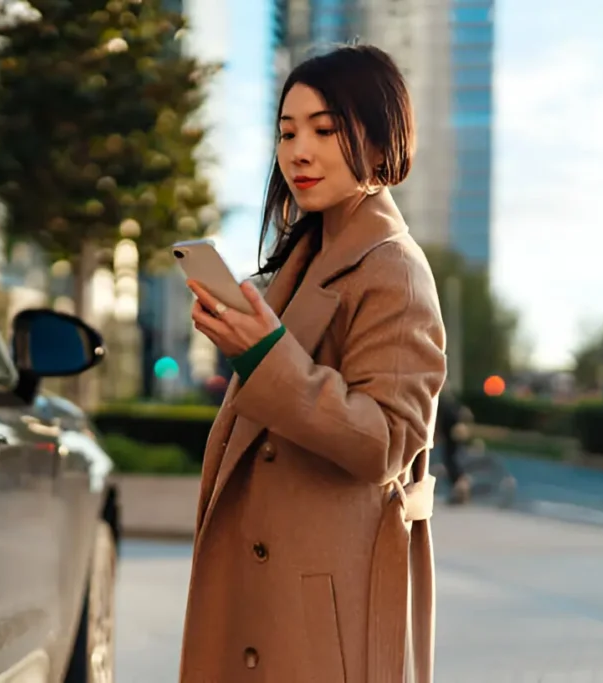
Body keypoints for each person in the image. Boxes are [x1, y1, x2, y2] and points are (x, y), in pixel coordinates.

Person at [180, 45, 447, 683]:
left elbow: (386, 441)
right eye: (287, 131)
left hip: (325, 607)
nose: (300, 150)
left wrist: (264, 355)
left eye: (325, 130)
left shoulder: (394, 270)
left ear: (382, 147)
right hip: (274, 589)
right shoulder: (308, 257)